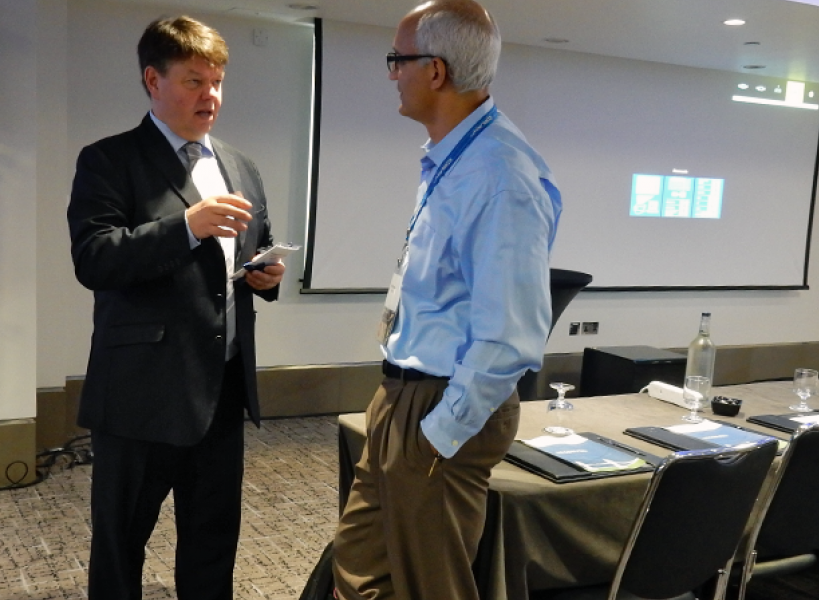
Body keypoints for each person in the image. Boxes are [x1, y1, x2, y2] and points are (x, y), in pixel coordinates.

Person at [331, 1, 562, 598]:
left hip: (440, 405)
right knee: (359, 570)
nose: (391, 74)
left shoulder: (498, 173)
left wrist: (439, 434)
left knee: (433, 586)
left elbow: (511, 335)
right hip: (402, 393)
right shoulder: (452, 158)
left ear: (434, 71)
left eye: (396, 61)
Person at [67, 15, 284, 600]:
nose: (209, 95)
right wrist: (184, 227)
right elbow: (94, 259)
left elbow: (247, 256)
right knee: (121, 543)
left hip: (222, 390)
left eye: (216, 82)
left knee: (213, 540)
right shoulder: (109, 160)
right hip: (141, 393)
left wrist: (265, 277)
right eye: (192, 81)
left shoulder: (241, 166)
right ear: (152, 80)